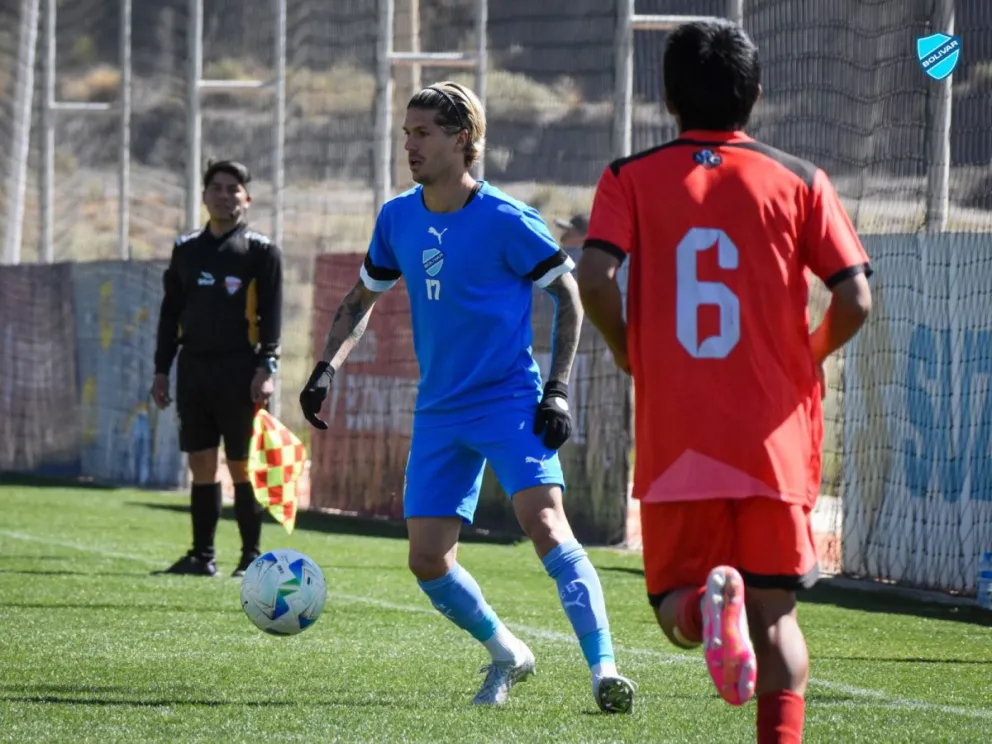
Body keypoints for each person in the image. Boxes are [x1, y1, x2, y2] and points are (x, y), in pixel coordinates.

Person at [577, 20, 872, 744]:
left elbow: (593, 275)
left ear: (669, 97)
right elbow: (856, 296)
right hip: (772, 436)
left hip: (679, 434)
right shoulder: (800, 179)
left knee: (672, 605)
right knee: (777, 617)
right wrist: (806, 356)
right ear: (755, 95)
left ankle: (702, 611)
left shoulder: (629, 176)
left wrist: (627, 350)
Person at [299, 81, 636, 713]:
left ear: (463, 140)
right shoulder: (397, 217)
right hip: (439, 411)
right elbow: (359, 302)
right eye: (406, 133)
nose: (410, 145)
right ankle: (509, 652)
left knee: (544, 522)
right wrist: (325, 368)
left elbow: (567, 296)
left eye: (422, 133)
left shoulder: (508, 219)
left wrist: (557, 389)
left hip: (510, 401)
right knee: (427, 560)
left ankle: (604, 670)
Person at [151, 159, 284, 579]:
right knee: (201, 463)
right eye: (217, 188)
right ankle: (201, 556)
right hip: (194, 370)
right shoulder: (186, 249)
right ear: (204, 195)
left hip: (241, 372)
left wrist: (267, 366)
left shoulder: (260, 251)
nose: (225, 196)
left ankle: (250, 558)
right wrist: (161, 369)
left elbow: (273, 317)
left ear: (247, 198)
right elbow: (170, 312)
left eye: (233, 189)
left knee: (243, 464)